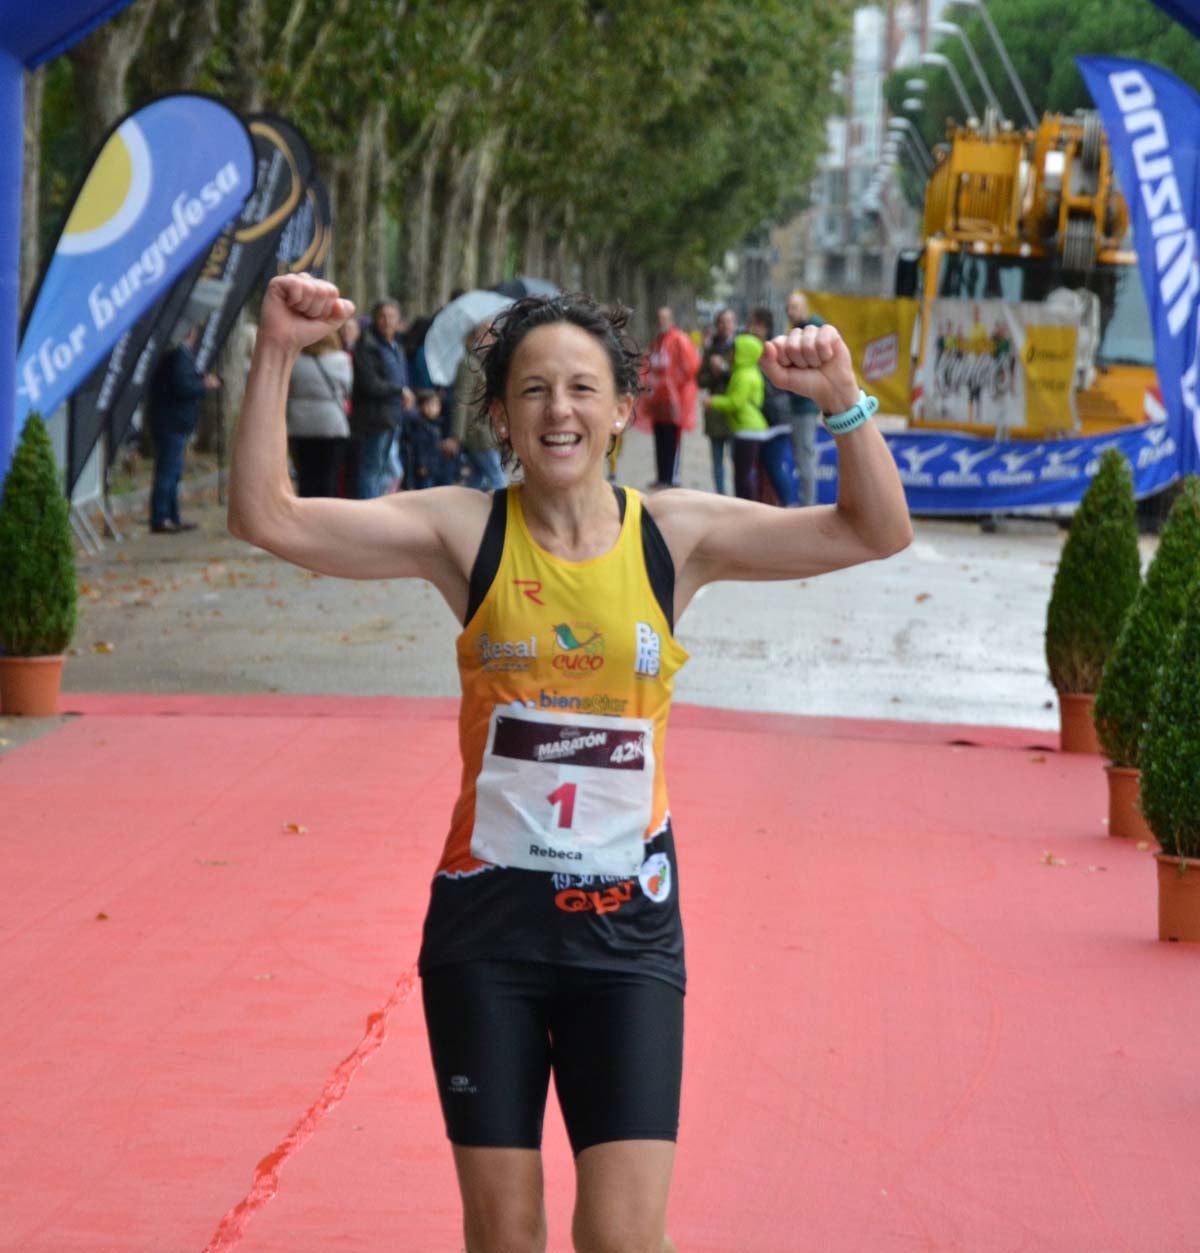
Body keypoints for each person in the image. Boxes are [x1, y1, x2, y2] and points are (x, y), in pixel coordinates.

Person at [228, 273, 911, 1253]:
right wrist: (276, 350)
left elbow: (874, 529)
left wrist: (844, 400)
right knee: (505, 1237)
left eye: (583, 387)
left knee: (625, 1238)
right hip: (489, 937)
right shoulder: (461, 531)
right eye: (534, 389)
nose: (560, 409)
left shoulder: (676, 535)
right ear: (500, 415)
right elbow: (268, 518)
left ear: (623, 410)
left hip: (628, 939)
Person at [147, 324, 220, 533]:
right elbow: (182, 387)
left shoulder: (177, 356)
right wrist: (204, 385)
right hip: (172, 421)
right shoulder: (179, 356)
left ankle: (172, 515)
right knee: (167, 471)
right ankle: (161, 516)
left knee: (173, 471)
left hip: (173, 421)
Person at [350, 298, 414, 499]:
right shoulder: (367, 346)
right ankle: (367, 513)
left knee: (384, 471)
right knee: (370, 470)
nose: (387, 321)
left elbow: (401, 378)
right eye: (382, 316)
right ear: (375, 319)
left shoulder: (396, 346)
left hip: (391, 418)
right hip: (373, 419)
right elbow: (370, 384)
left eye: (392, 316)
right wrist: (399, 390)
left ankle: (377, 509)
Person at [704, 331, 770, 501]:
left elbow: (736, 402)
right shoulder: (744, 371)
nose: (731, 353)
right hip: (746, 428)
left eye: (735, 350)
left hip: (747, 428)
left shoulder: (744, 375)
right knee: (743, 473)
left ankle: (745, 508)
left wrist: (713, 401)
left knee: (743, 475)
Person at [285, 330, 352, 497]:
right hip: (331, 424)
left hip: (300, 424)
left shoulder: (295, 361)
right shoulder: (341, 360)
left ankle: (304, 515)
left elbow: (289, 389)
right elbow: (347, 390)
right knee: (329, 476)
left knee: (305, 477)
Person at [639, 306, 700, 488]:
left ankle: (671, 477)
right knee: (659, 437)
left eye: (664, 318)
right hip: (659, 401)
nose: (661, 322)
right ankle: (661, 476)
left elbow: (691, 366)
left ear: (671, 319)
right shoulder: (657, 342)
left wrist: (675, 384)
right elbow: (648, 365)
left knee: (672, 438)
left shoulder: (679, 340)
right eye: (659, 318)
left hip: (675, 402)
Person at [449, 322, 507, 491]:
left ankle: (462, 512)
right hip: (478, 433)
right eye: (486, 334)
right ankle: (505, 514)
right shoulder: (468, 364)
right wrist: (457, 436)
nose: (490, 338)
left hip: (485, 430)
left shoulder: (483, 363)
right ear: (475, 338)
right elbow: (462, 400)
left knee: (476, 479)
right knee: (498, 478)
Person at [785, 291, 825, 506]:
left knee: (805, 456)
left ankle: (807, 504)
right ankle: (805, 501)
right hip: (799, 403)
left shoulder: (811, 330)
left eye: (793, 307)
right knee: (801, 457)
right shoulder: (797, 331)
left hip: (805, 404)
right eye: (788, 307)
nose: (789, 312)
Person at [697, 307, 737, 494]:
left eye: (729, 322)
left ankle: (739, 495)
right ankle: (721, 495)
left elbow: (744, 377)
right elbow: (700, 380)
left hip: (736, 411)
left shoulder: (740, 347)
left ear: (734, 324)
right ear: (717, 325)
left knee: (738, 459)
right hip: (714, 412)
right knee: (717, 459)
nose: (725, 326)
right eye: (722, 322)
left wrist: (724, 369)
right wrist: (713, 373)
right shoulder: (710, 348)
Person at [403, 388, 458, 489]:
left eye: (436, 405)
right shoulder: (419, 425)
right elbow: (419, 448)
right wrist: (422, 465)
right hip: (425, 468)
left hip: (434, 466)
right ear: (421, 407)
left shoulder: (437, 424)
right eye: (429, 405)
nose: (433, 408)